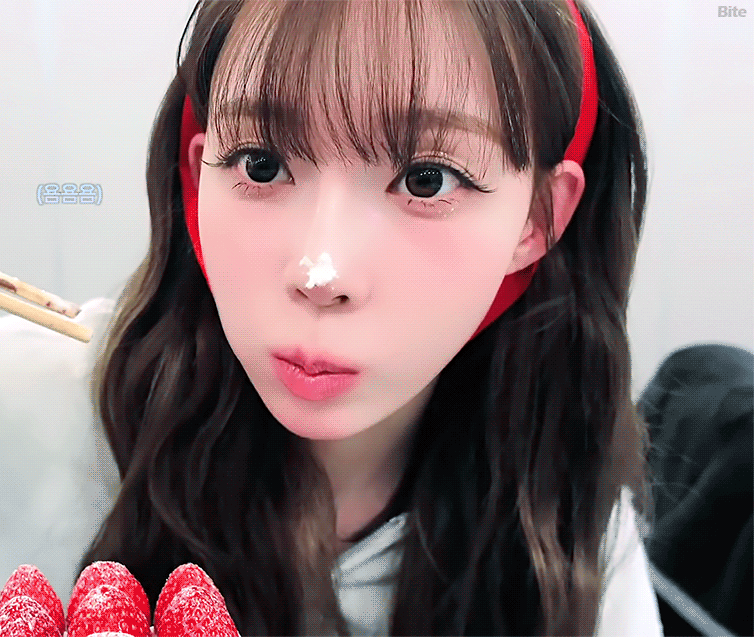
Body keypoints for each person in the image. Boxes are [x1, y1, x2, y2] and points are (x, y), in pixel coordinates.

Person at [80, 0, 662, 634]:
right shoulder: (43, 422)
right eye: (261, 164)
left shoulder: (572, 528)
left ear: (537, 218)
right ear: (198, 173)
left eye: (426, 180)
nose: (320, 275)